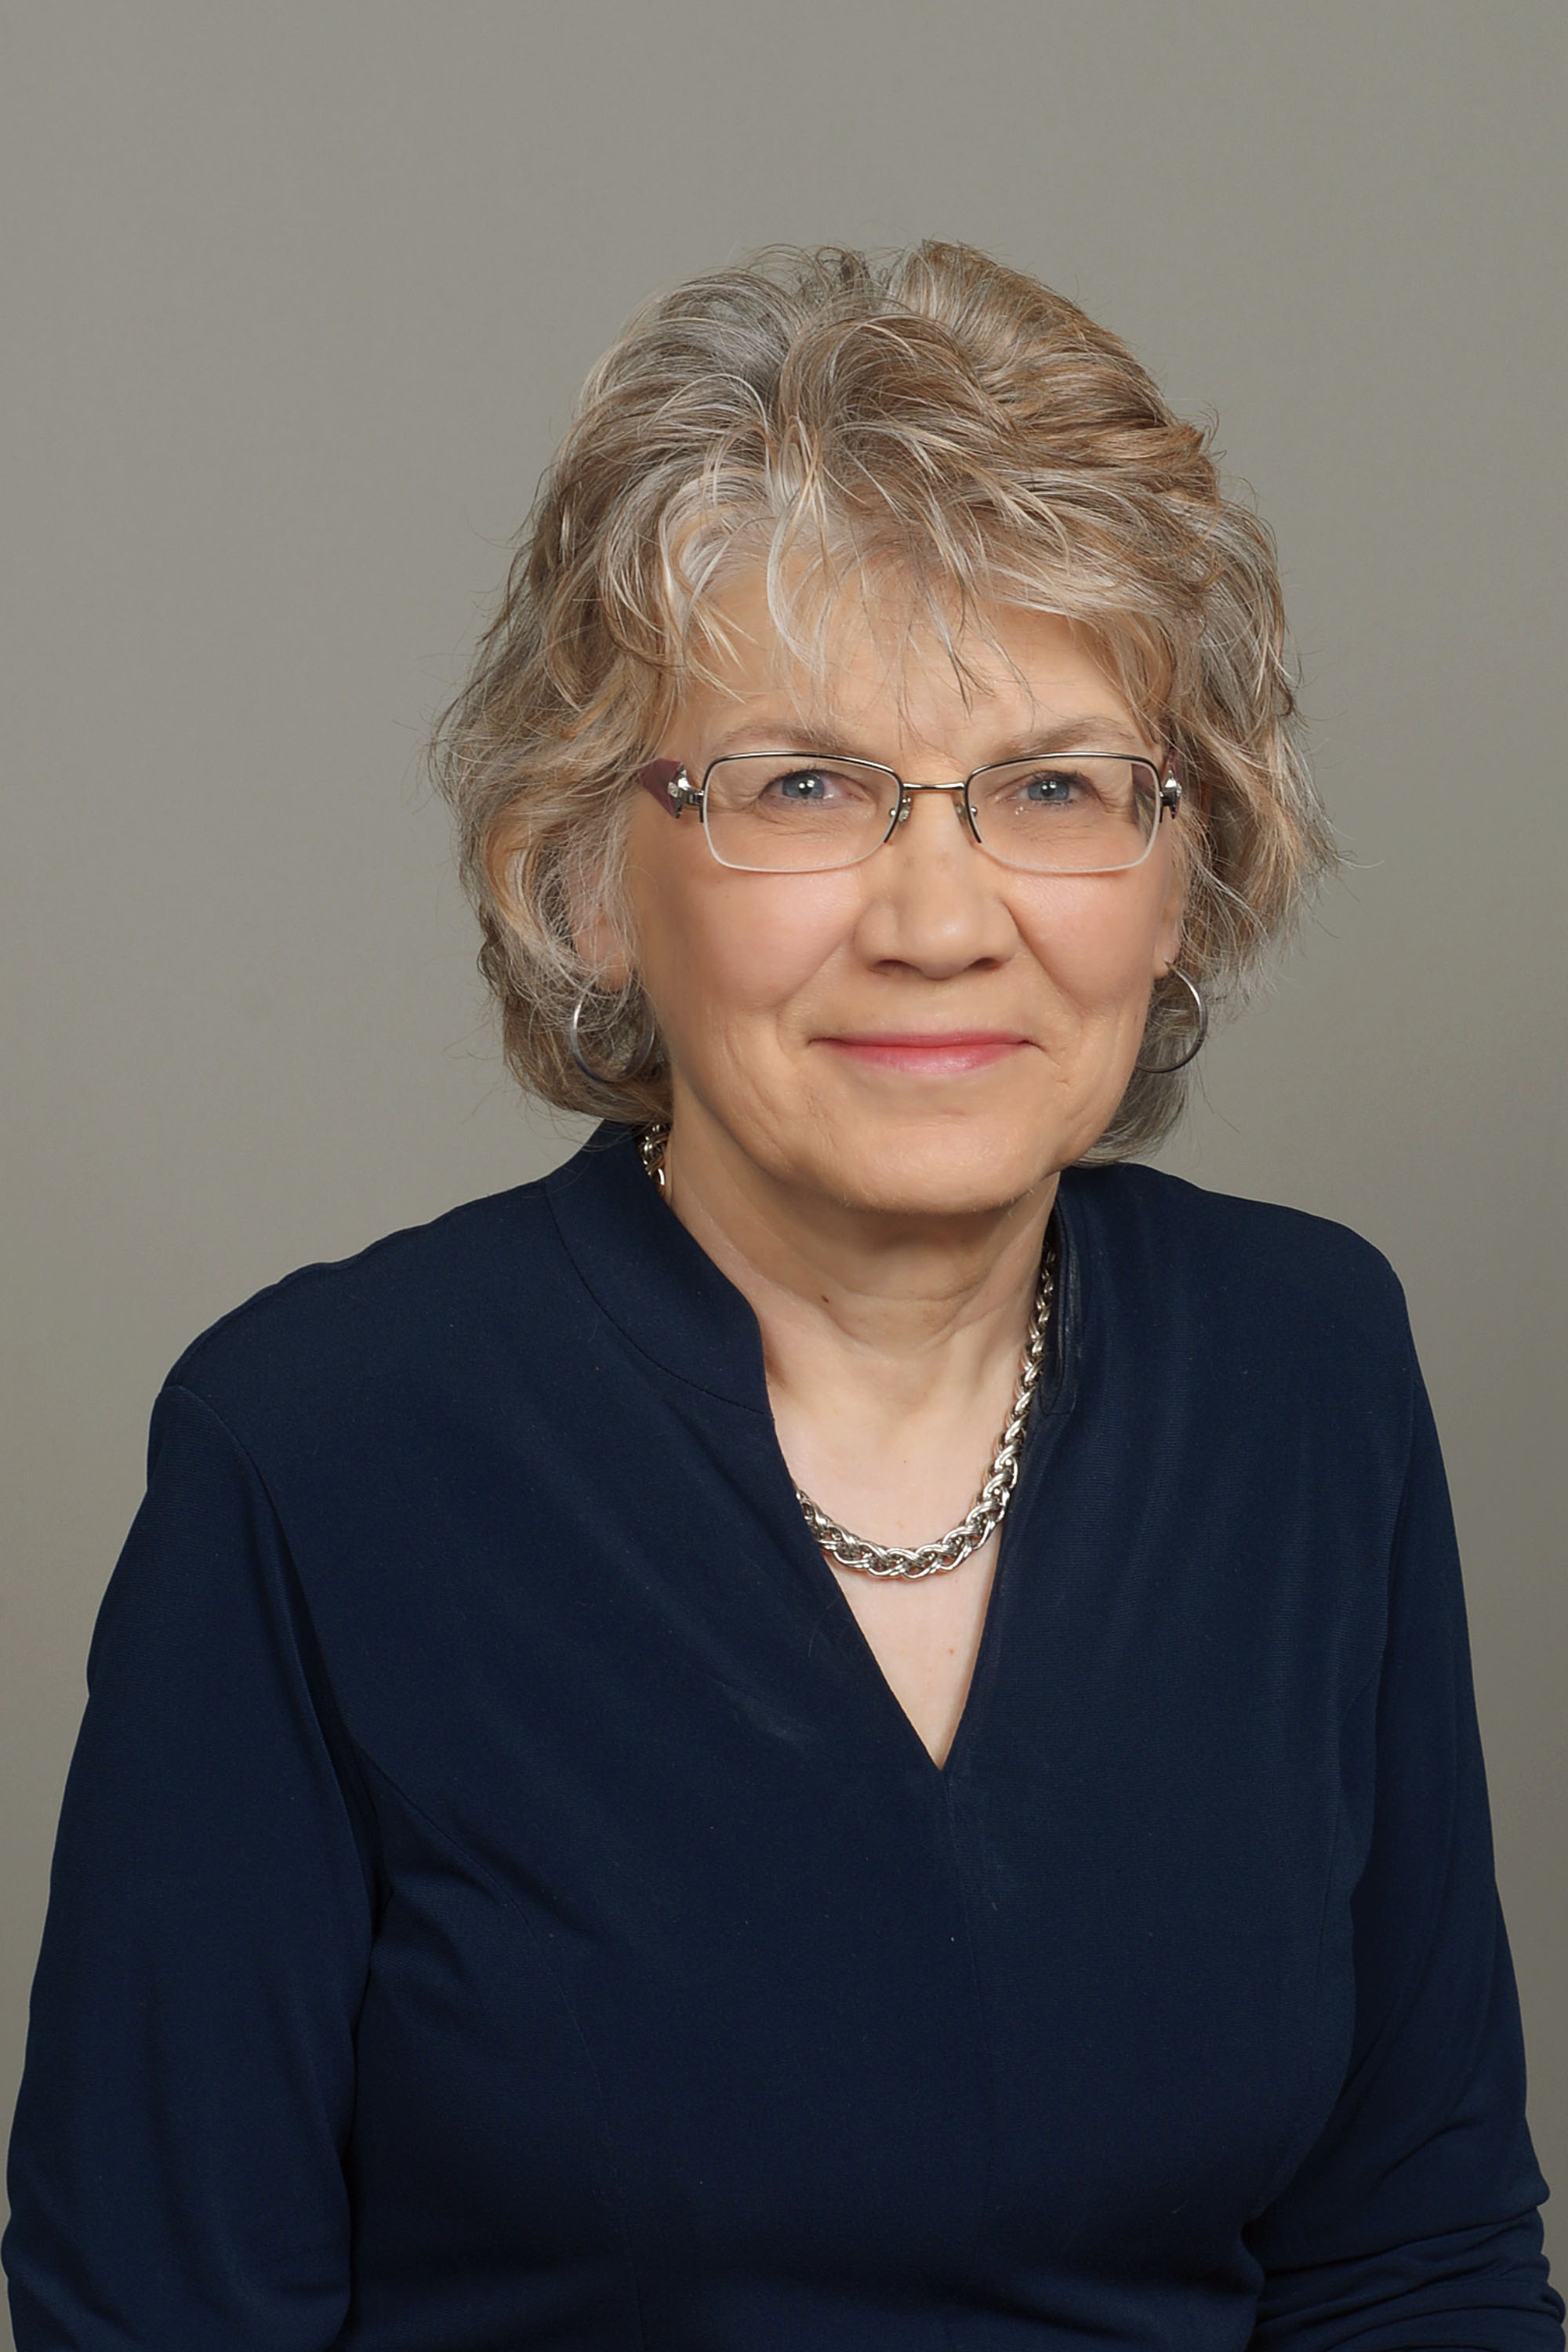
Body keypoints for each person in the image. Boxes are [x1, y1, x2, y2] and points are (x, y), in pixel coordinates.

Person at [4, 242, 1560, 2352]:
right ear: (581, 865)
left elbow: (1418, 2256)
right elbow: (156, 2322)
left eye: (1055, 784)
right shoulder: (318, 1456)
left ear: (1190, 864)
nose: (940, 917)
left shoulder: (1310, 1376)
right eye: (802, 785)